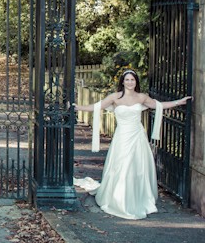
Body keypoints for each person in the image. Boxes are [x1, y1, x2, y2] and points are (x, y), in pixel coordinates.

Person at [72, 69, 191, 219]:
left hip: (137, 136)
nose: (130, 82)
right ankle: (119, 199)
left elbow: (158, 105)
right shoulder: (115, 97)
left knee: (137, 166)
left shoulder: (142, 97)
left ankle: (137, 198)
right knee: (122, 165)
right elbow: (98, 106)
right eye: (127, 80)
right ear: (122, 81)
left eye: (132, 80)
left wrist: (178, 102)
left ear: (136, 82)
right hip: (122, 137)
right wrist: (79, 108)